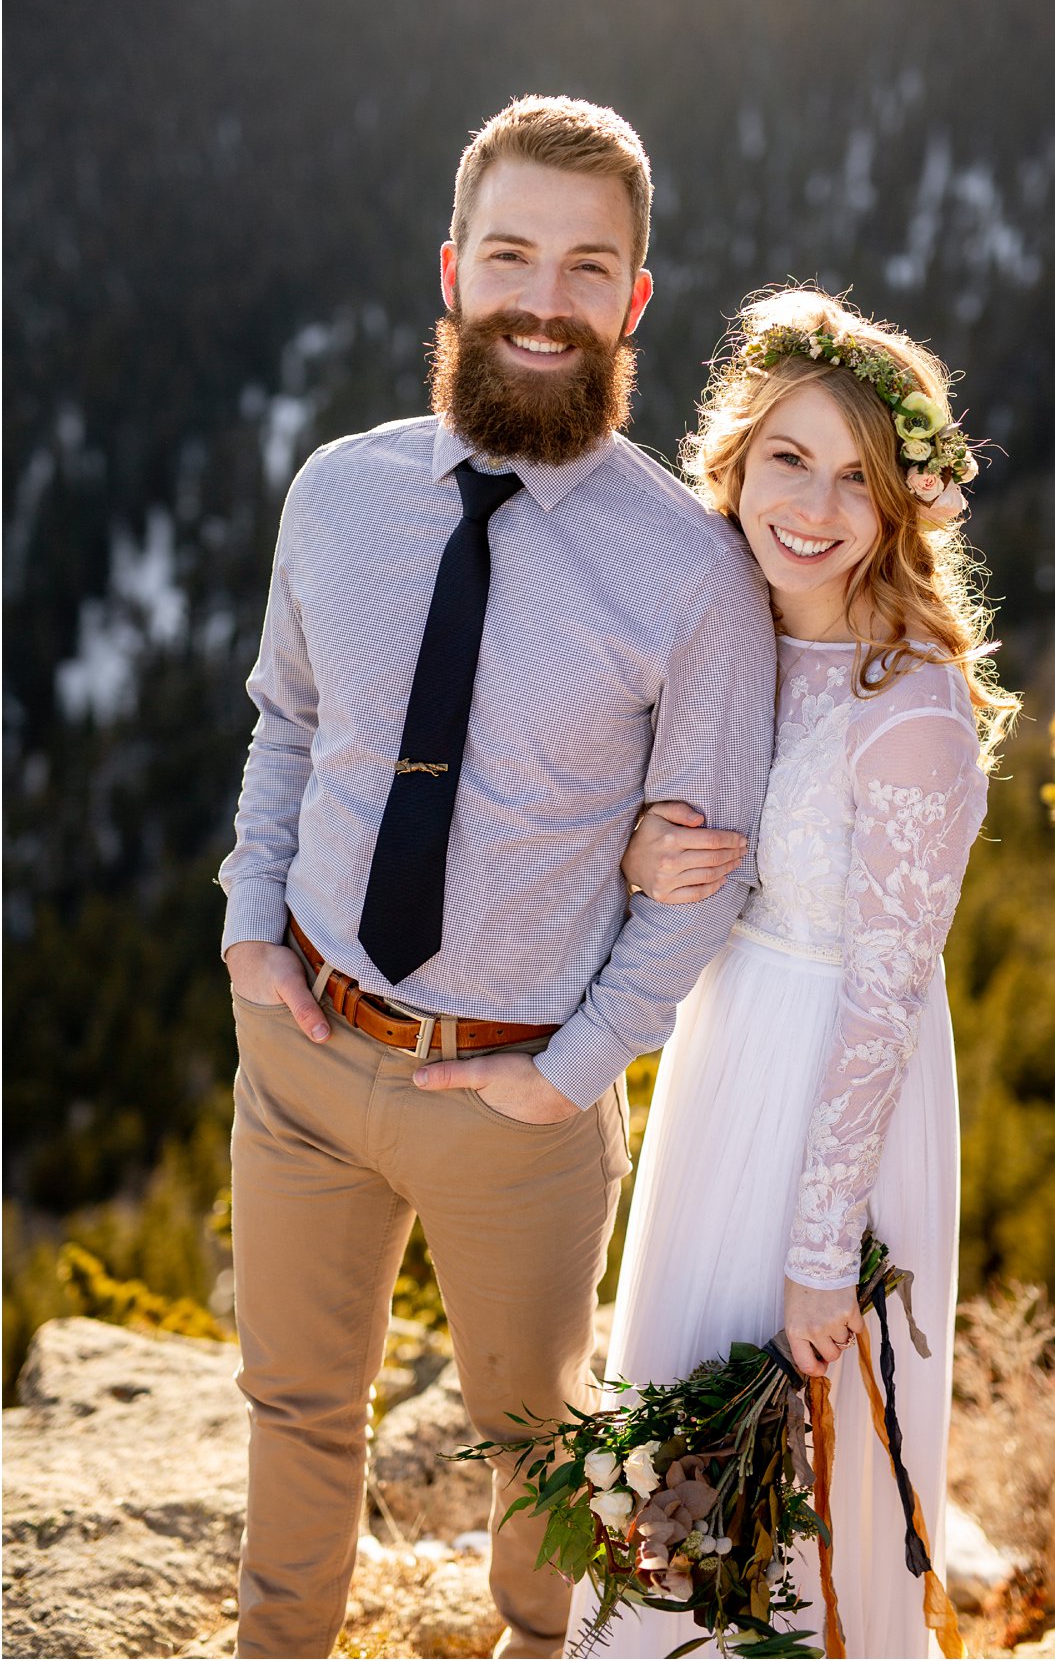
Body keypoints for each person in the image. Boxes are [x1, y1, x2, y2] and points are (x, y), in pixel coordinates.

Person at [217, 96, 777, 1658]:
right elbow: (286, 721)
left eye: (588, 268)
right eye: (515, 254)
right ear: (454, 270)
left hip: (519, 1099)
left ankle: (544, 1647)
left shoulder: (692, 577)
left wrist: (572, 1076)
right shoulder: (338, 491)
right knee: (294, 1405)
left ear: (633, 303)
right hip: (305, 1051)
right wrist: (249, 932)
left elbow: (704, 878)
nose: (546, 298)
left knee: (536, 1443)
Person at [568, 286, 1011, 1660]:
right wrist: (642, 852)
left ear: (901, 507)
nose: (813, 506)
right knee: (682, 1432)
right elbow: (657, 822)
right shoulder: (729, 637)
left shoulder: (913, 712)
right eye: (788, 461)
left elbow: (884, 999)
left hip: (838, 1106)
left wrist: (826, 1257)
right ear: (735, 465)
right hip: (722, 1067)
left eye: (855, 479)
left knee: (805, 1457)